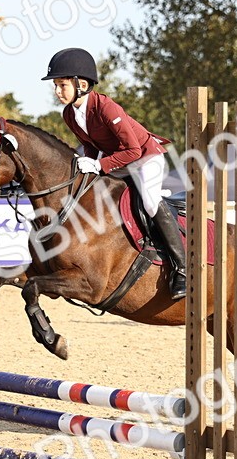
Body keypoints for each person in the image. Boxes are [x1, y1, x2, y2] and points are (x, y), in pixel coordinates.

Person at [42, 47, 186, 299]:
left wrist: (99, 166)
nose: (57, 92)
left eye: (62, 85)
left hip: (145, 159)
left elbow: (132, 149)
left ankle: (182, 268)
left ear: (82, 84)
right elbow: (90, 144)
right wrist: (87, 163)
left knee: (150, 202)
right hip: (118, 162)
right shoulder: (69, 114)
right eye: (55, 85)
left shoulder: (107, 108)